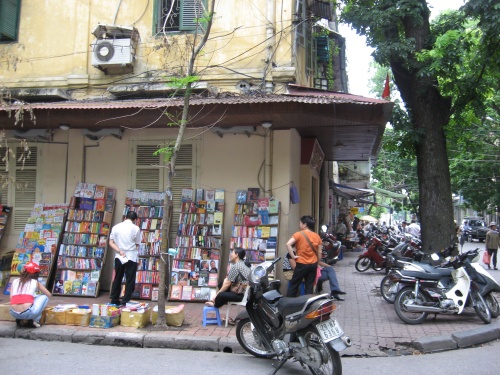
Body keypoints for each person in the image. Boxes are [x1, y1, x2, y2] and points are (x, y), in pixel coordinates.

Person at [109, 210, 141, 306]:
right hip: (131, 256)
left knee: (117, 277)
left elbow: (111, 242)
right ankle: (125, 300)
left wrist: (119, 251)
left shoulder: (116, 227)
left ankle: (114, 299)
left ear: (125, 217)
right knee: (130, 279)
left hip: (119, 256)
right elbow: (137, 243)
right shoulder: (136, 228)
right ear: (135, 220)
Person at [286, 215, 322, 296]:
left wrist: (293, 256)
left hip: (301, 264)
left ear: (305, 224)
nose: (300, 225)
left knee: (294, 285)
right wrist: (318, 262)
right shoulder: (317, 236)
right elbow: (319, 253)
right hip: (313, 264)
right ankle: (308, 305)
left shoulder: (298, 234)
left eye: (300, 223)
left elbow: (288, 244)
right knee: (309, 286)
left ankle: (288, 304)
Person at [10, 262, 51, 328]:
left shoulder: (14, 281)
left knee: (27, 300)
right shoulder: (35, 282)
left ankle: (20, 319)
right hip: (28, 313)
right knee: (44, 297)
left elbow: (11, 298)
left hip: (13, 312)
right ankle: (35, 320)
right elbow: (48, 294)